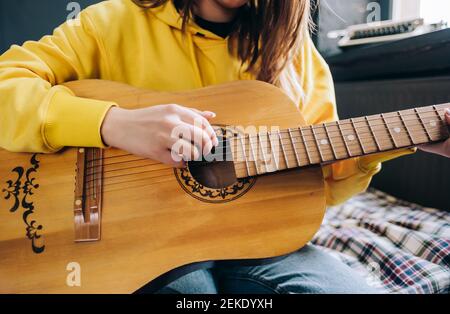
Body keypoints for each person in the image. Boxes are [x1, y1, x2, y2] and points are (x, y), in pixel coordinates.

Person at [0, 0, 448, 294]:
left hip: (257, 244)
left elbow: (316, 191)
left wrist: (402, 139)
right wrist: (112, 124)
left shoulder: (296, 56)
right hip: (130, 246)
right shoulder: (110, 24)